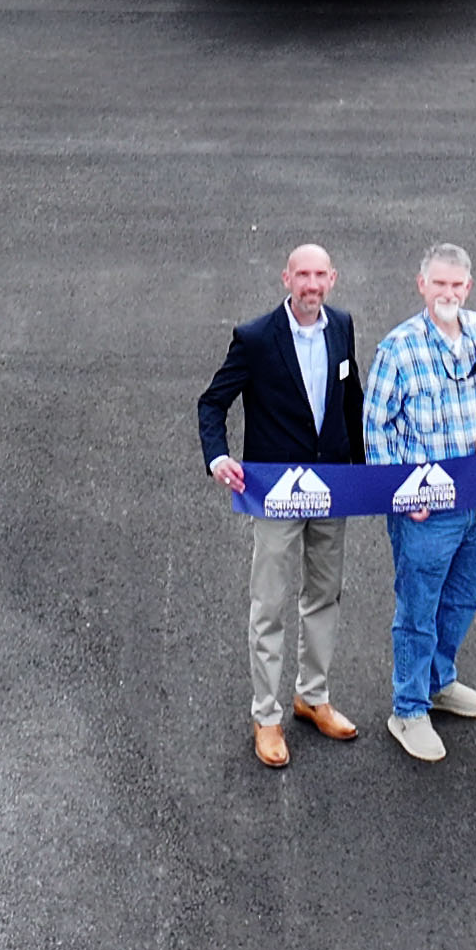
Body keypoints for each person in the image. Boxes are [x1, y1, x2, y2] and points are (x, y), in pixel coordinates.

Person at [196, 242, 368, 770]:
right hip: (276, 491)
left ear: (333, 279)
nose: (312, 285)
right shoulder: (254, 338)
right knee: (268, 604)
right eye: (303, 275)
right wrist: (218, 457)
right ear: (285, 278)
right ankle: (267, 716)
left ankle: (312, 697)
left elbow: (351, 399)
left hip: (334, 484)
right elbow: (212, 402)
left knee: (324, 594)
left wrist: (363, 473)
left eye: (320, 275)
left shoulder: (341, 325)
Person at [363, 240, 476, 761]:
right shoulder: (398, 348)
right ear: (421, 284)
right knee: (418, 608)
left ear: (468, 287)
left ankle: (439, 681)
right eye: (439, 283)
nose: (448, 292)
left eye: (457, 284)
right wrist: (404, 498)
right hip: (426, 510)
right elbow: (376, 430)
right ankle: (407, 709)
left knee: (460, 600)